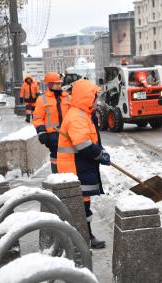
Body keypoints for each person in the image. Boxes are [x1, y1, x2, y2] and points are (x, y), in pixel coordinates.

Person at [57, 79, 108, 249]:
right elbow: (83, 144)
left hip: (80, 165)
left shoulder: (83, 114)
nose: (96, 101)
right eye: (94, 97)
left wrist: (101, 151)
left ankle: (85, 235)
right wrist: (99, 155)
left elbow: (90, 140)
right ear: (86, 97)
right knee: (80, 204)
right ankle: (82, 238)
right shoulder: (77, 116)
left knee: (83, 202)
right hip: (74, 167)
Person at [32, 72, 70, 173]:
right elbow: (37, 117)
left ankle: (69, 177)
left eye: (59, 83)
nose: (59, 85)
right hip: (52, 136)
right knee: (55, 157)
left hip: (67, 134)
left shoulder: (67, 97)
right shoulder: (42, 99)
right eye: (56, 83)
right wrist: (42, 132)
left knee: (69, 157)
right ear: (49, 84)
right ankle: (57, 177)